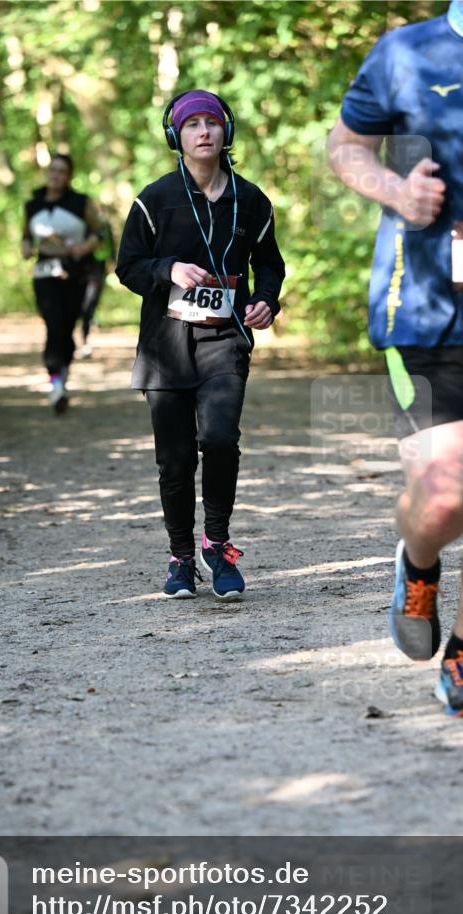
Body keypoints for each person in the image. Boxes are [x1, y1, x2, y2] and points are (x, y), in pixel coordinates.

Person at [327, 0, 463, 716]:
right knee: (442, 497)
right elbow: (345, 147)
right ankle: (418, 563)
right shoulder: (404, 52)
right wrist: (397, 191)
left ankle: (462, 656)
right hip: (428, 311)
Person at [117, 89, 285, 600]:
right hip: (166, 344)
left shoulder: (252, 201)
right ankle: (181, 558)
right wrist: (167, 268)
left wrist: (266, 302)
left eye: (212, 123)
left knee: (218, 439)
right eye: (193, 125)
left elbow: (270, 264)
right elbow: (128, 267)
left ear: (226, 132)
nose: (204, 132)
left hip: (224, 340)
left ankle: (218, 546)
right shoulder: (154, 199)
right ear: (177, 136)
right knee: (173, 459)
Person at [22, 153, 102, 413]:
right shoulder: (32, 204)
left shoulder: (81, 202)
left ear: (68, 176)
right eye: (52, 170)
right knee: (53, 323)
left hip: (74, 272)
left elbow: (99, 232)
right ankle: (55, 382)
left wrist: (83, 247)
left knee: (67, 326)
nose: (55, 175)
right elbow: (25, 236)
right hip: (45, 271)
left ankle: (62, 373)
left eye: (61, 171)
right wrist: (25, 247)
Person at [78, 217, 115, 359]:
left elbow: (111, 244)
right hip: (79, 271)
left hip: (97, 270)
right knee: (80, 306)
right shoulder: (79, 223)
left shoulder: (103, 225)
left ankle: (85, 341)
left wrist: (114, 261)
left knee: (89, 305)